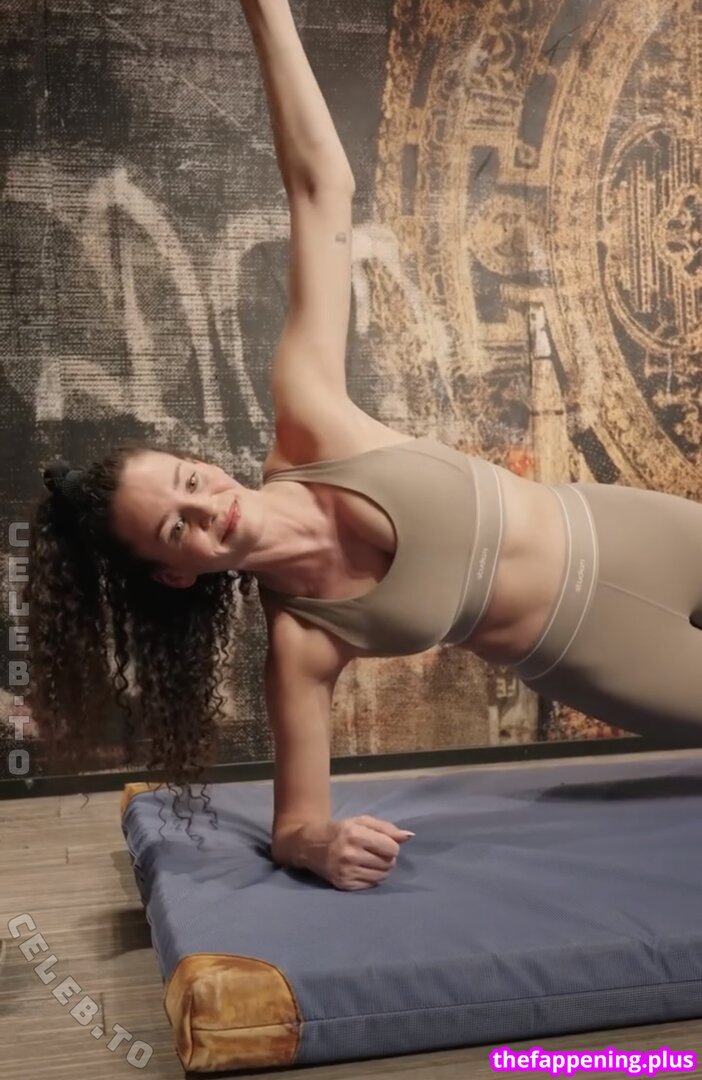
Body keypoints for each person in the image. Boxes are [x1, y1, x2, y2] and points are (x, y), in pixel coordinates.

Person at [25, 0, 702, 892]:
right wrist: (316, 846)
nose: (209, 506)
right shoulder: (303, 643)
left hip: (636, 533)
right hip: (602, 654)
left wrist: (266, 10)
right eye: (179, 528)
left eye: (190, 480)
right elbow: (297, 827)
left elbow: (320, 190)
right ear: (175, 575)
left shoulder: (313, 419)